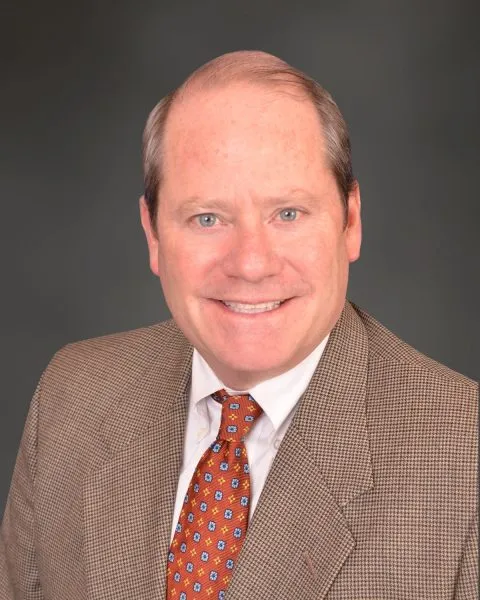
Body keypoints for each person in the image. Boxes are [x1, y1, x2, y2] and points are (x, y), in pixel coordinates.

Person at [0, 50, 477, 600]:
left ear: (350, 221)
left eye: (288, 214)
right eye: (207, 218)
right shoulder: (73, 396)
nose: (251, 264)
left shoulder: (464, 461)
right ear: (153, 234)